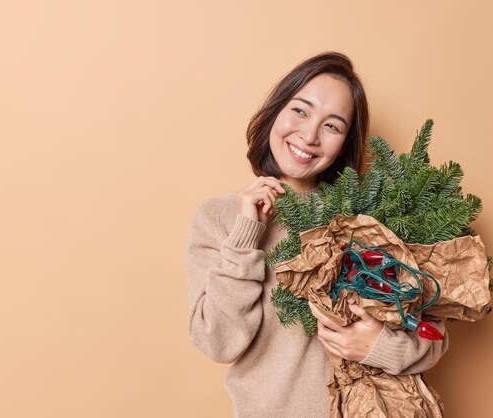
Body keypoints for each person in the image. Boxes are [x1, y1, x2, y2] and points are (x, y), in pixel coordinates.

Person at [185, 51, 448, 418]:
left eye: (333, 126)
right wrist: (246, 235)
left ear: (345, 143)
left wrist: (377, 346)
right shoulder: (218, 218)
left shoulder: (369, 214)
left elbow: (433, 332)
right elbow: (218, 343)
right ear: (275, 111)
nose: (309, 135)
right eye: (300, 110)